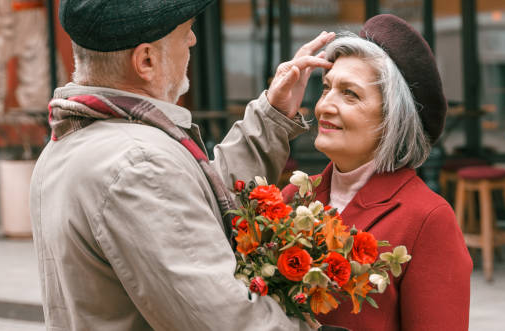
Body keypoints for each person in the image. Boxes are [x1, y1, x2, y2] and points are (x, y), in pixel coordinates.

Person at [30, 0, 335, 330]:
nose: (192, 41)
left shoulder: (76, 143)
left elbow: (193, 203)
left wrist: (271, 118)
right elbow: (228, 321)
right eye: (186, 32)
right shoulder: (138, 164)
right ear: (145, 60)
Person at [282, 14, 472, 331]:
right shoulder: (294, 197)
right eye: (327, 88)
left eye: (350, 94)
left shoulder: (427, 219)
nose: (325, 105)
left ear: (392, 118)